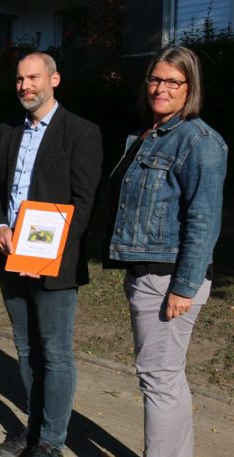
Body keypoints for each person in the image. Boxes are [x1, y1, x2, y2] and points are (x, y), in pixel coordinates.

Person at [0, 52, 102, 457]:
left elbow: (83, 205)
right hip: (9, 255)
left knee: (55, 353)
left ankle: (51, 440)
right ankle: (31, 431)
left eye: (33, 78)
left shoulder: (81, 132)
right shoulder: (7, 130)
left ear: (54, 79)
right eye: (19, 79)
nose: (25, 86)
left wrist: (44, 253)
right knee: (26, 350)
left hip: (53, 266)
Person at [104, 46, 226, 457]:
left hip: (168, 279)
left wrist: (184, 287)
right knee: (167, 379)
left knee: (157, 381)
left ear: (189, 88)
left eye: (172, 81)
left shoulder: (200, 141)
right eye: (155, 79)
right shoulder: (148, 135)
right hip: (147, 273)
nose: (160, 88)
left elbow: (203, 221)